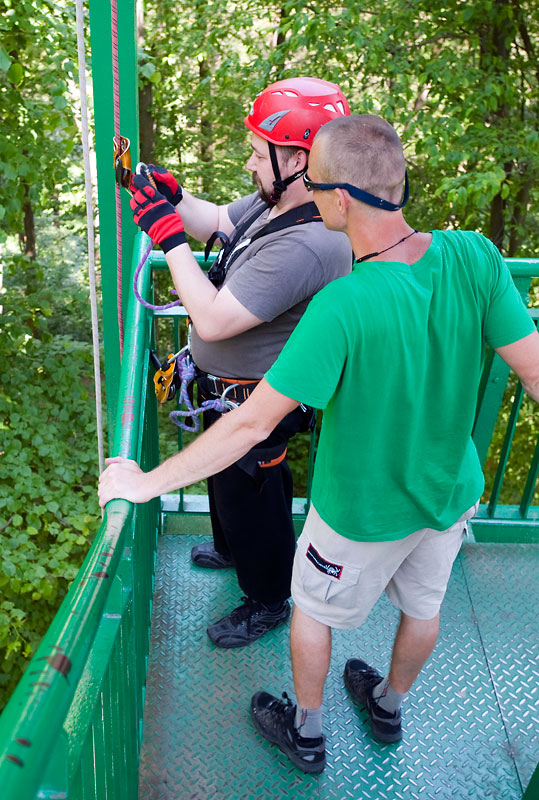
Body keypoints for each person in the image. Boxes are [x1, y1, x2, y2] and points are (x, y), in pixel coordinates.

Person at [100, 114, 539, 774]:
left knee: (310, 612)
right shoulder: (474, 255)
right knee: (423, 609)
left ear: (337, 199)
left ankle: (305, 731)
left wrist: (145, 483)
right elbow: (534, 370)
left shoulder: (343, 306)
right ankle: (387, 705)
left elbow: (250, 425)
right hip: (450, 494)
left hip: (358, 511)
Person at [128, 77, 353, 649]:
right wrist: (176, 200)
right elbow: (220, 222)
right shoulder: (280, 201)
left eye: (259, 153)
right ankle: (232, 548)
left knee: (253, 494)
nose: (250, 164)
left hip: (257, 404)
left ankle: (269, 599)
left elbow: (211, 320)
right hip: (226, 391)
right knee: (230, 486)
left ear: (298, 160)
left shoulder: (312, 242)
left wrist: (169, 238)